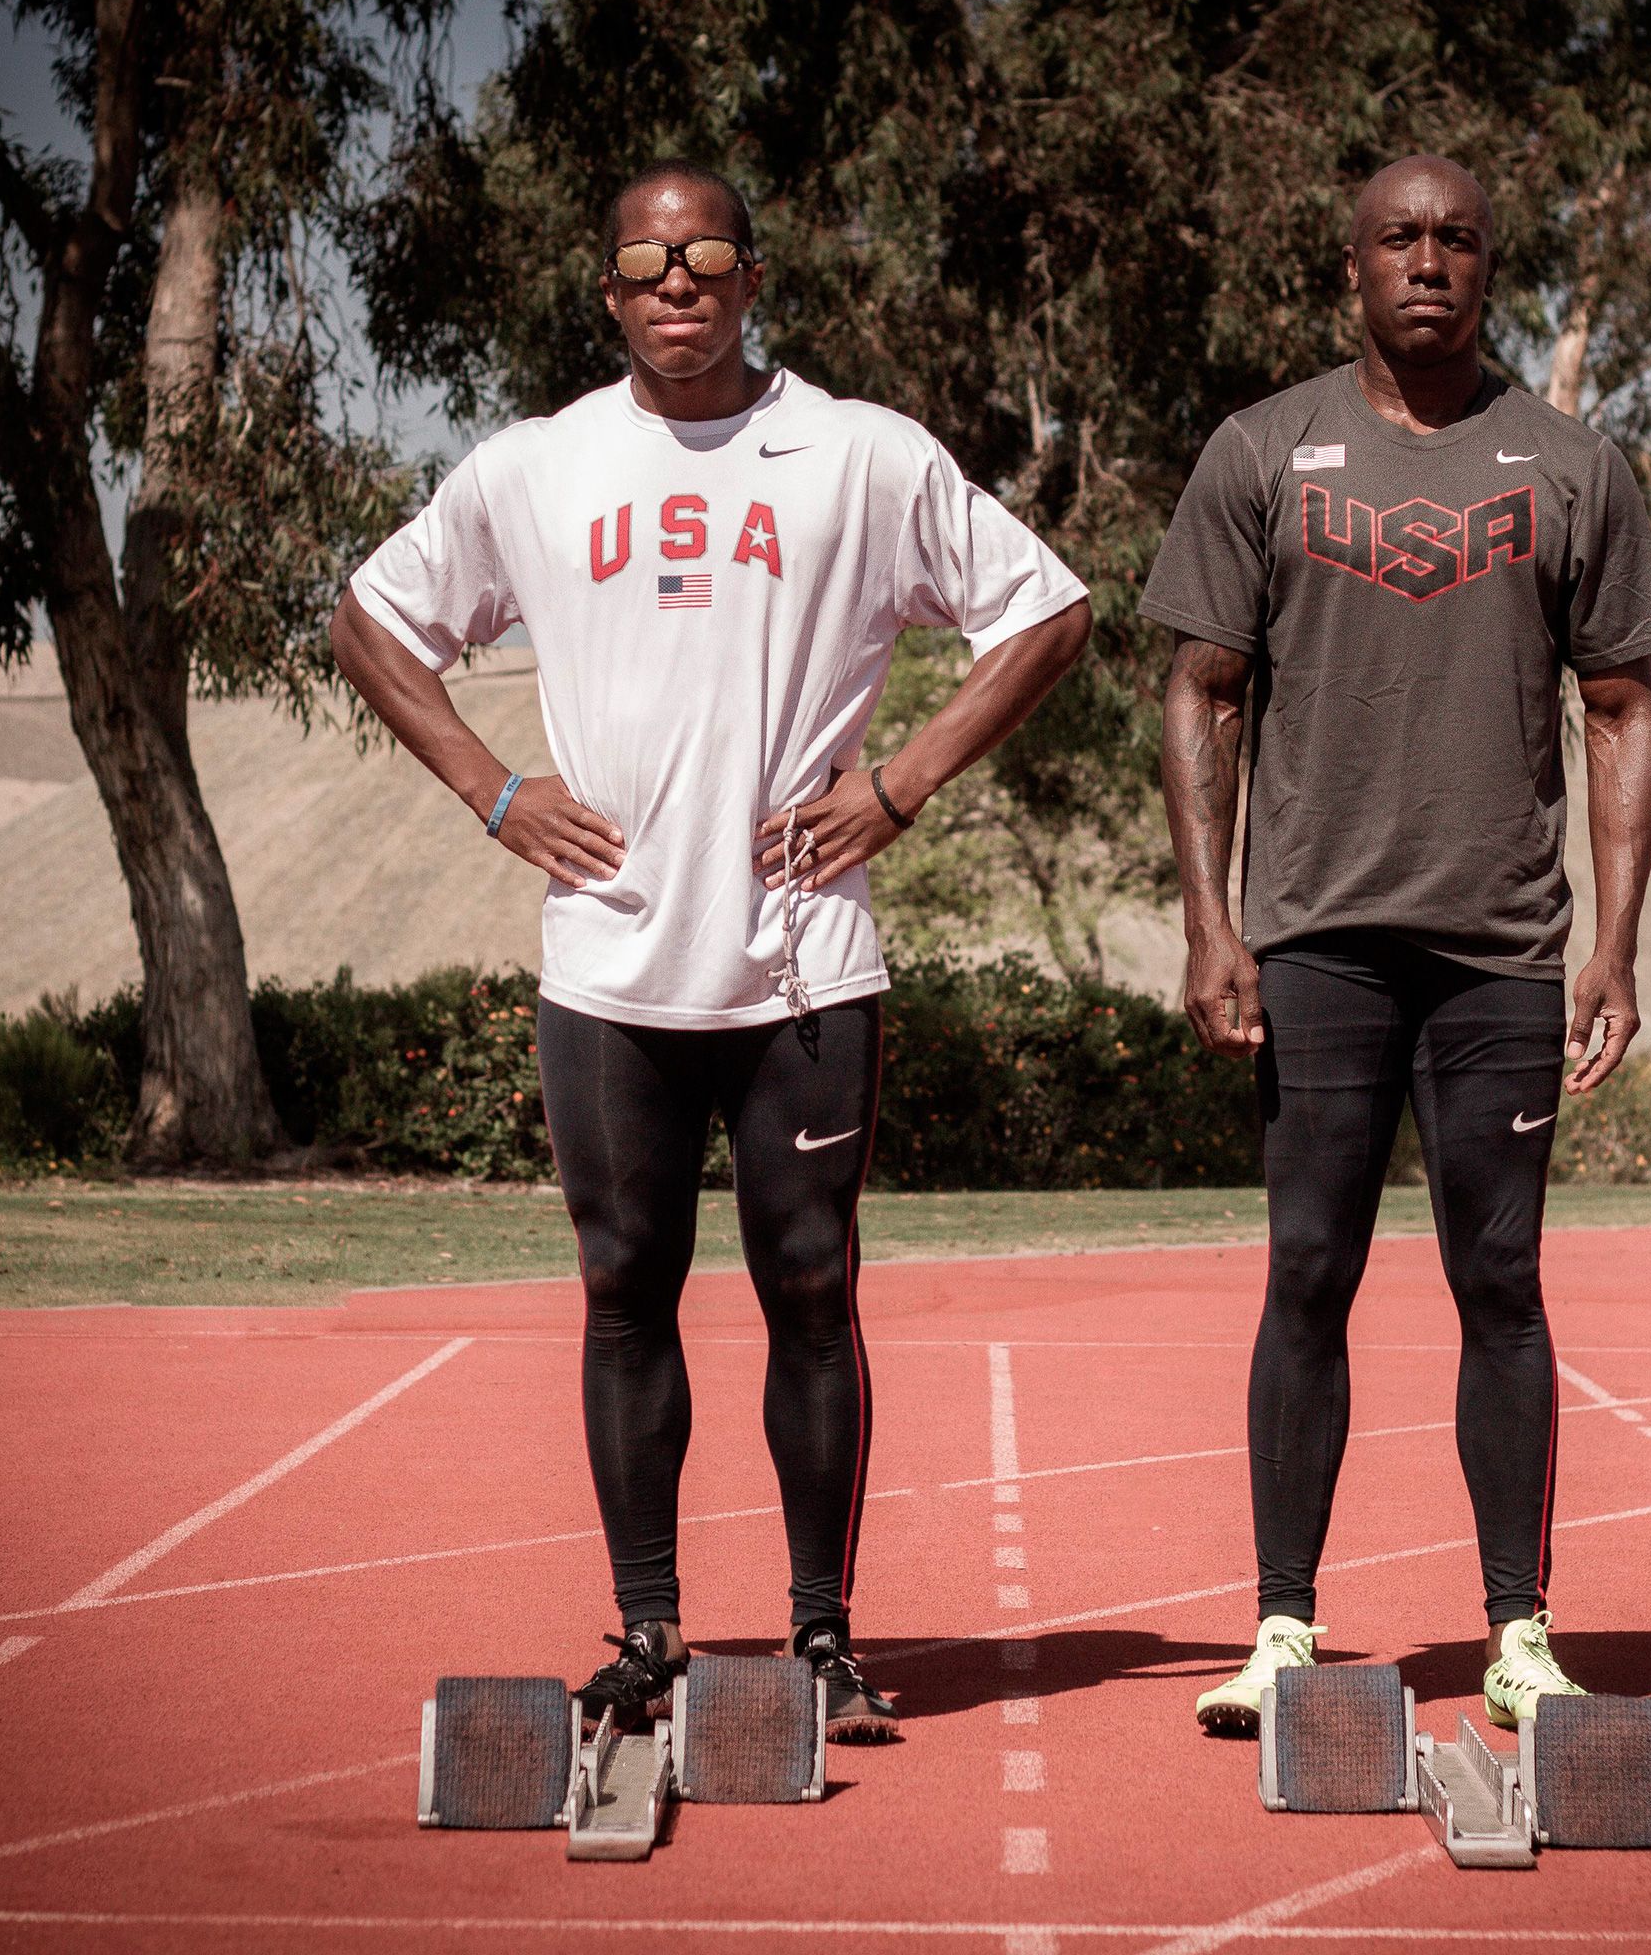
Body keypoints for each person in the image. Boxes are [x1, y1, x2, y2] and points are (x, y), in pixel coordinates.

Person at [332, 160, 1090, 1743]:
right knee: (626, 1291)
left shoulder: (862, 456)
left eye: (708, 257)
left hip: (803, 962)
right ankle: (652, 1632)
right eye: (645, 264)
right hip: (610, 969)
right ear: (608, 291)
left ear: (753, 277)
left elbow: (1047, 612)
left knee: (811, 1288)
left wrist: (903, 781)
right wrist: (492, 791)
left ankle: (821, 1637)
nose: (678, 285)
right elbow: (370, 621)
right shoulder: (535, 469)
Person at [1144, 154, 1651, 1735]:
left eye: (1457, 238)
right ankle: (1284, 1627)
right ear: (1354, 262)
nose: (1428, 260)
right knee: (1307, 1271)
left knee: (1497, 1281)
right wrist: (1212, 922)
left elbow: (1625, 709)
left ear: (1491, 264)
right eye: (1400, 238)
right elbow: (1202, 690)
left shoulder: (1572, 466)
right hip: (1315, 942)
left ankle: (1518, 1633)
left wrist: (1620, 944)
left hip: (1501, 951)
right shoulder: (1260, 451)